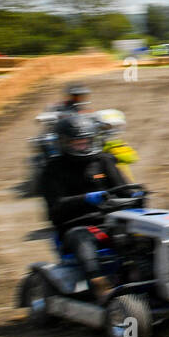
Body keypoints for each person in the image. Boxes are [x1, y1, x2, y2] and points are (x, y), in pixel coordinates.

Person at [40, 112, 129, 302]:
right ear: (64, 143)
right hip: (74, 226)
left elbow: (123, 189)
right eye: (76, 142)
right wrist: (87, 198)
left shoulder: (103, 160)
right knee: (83, 239)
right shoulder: (53, 169)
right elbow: (55, 208)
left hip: (110, 221)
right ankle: (99, 285)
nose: (82, 145)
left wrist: (135, 196)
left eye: (86, 141)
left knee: (140, 236)